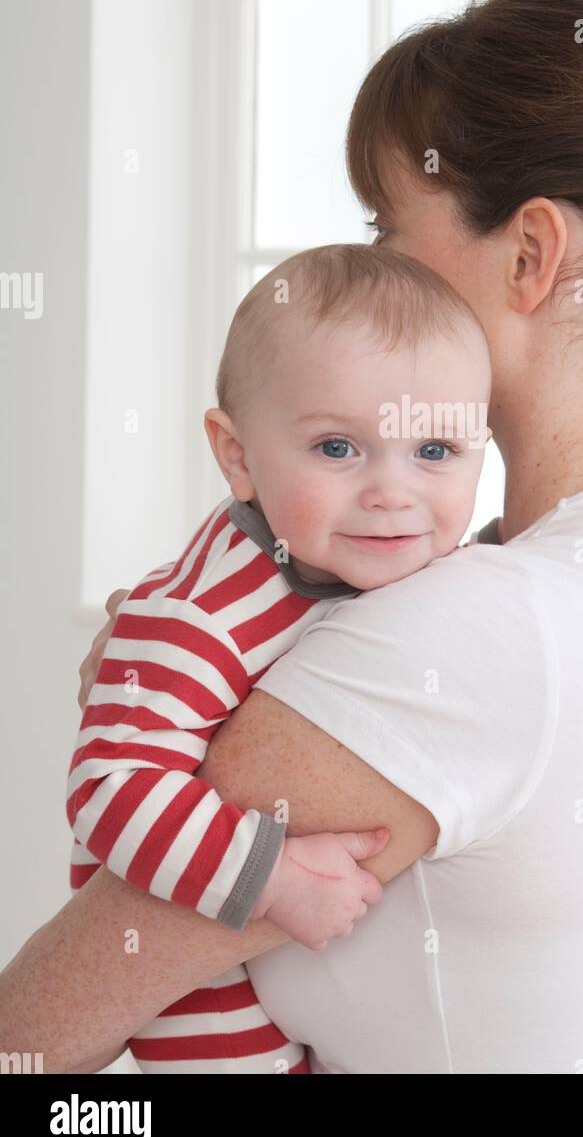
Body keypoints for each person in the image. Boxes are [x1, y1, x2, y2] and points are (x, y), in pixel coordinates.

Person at [2, 0, 583, 1074]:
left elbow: (33, 1039)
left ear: (529, 255)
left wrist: (148, 670)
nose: (368, 269)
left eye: (387, 226)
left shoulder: (476, 630)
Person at [66, 242, 493, 1072]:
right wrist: (273, 878)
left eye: (435, 452)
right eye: (338, 449)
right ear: (237, 458)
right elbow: (109, 791)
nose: (393, 492)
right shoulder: (200, 615)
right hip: (199, 985)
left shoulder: (354, 555)